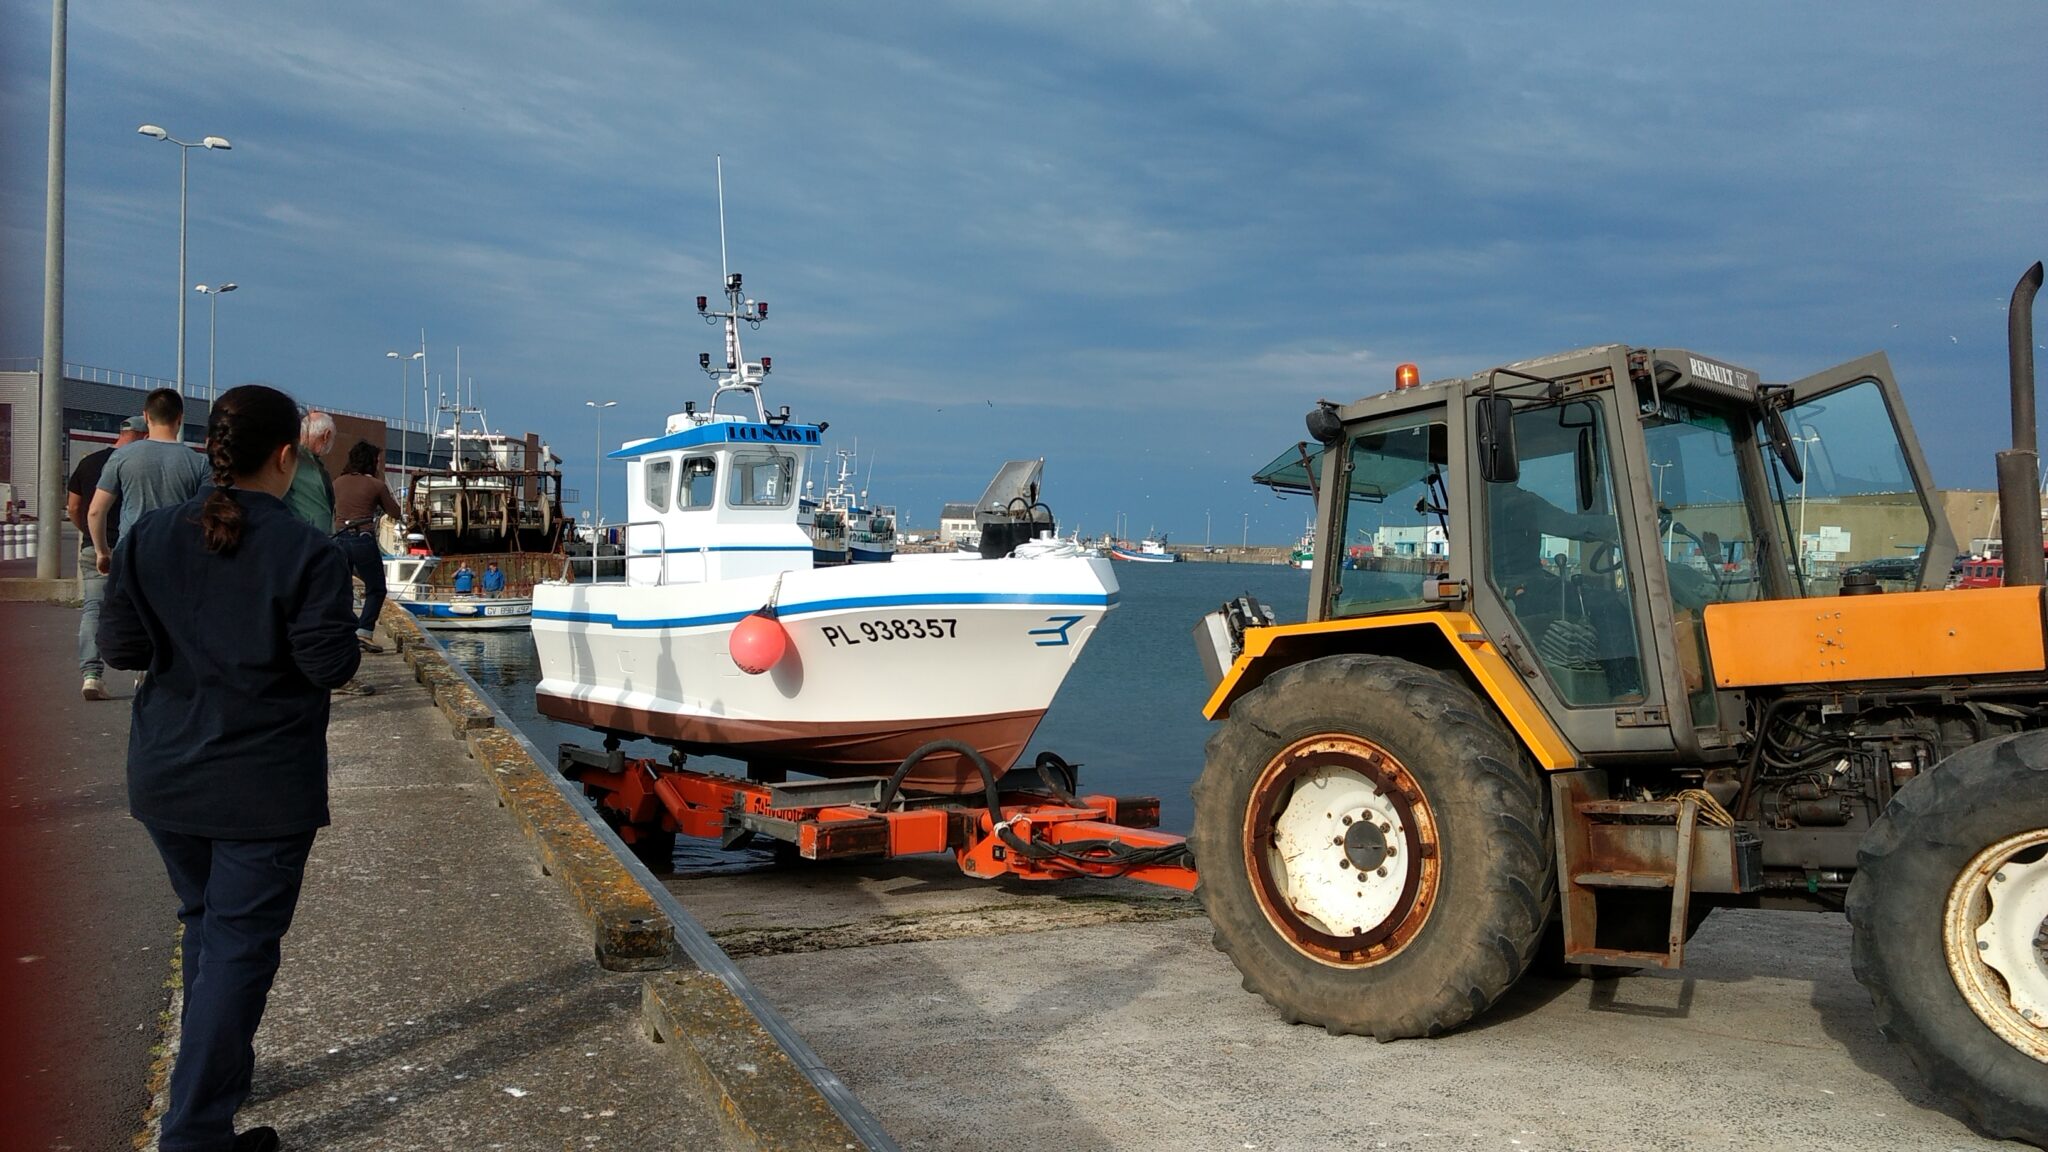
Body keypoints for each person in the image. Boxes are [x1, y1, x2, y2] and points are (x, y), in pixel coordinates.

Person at [97, 383, 361, 1152]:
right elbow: (329, 665)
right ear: (287, 456)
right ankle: (195, 1134)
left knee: (207, 926)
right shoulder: (307, 551)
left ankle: (217, 1077)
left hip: (166, 772)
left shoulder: (150, 538)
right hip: (261, 786)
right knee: (240, 948)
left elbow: (123, 650)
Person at [90, 388, 209, 576]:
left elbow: (96, 511)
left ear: (146, 416)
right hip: (177, 557)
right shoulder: (200, 463)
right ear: (180, 417)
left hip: (131, 553)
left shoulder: (121, 457)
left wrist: (102, 553)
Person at [68, 417, 143, 699]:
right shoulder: (135, 465)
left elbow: (74, 505)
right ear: (140, 434)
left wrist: (89, 535)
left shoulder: (88, 463)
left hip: (94, 546)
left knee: (93, 610)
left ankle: (91, 676)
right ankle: (144, 674)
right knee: (142, 608)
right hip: (131, 547)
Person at [331, 440, 403, 652]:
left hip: (339, 538)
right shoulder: (376, 485)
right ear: (371, 462)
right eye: (377, 461)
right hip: (363, 537)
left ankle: (342, 631)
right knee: (376, 587)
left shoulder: (337, 482)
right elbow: (395, 513)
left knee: (343, 588)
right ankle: (364, 631)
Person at [284, 410, 336, 532]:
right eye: (334, 438)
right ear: (326, 435)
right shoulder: (304, 464)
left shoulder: (292, 459)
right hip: (309, 539)